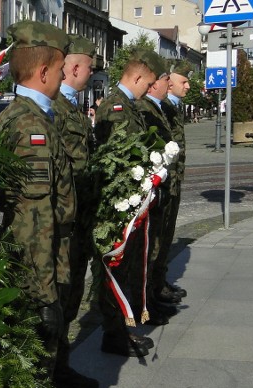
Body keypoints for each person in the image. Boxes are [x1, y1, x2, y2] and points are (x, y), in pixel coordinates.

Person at [0, 20, 77, 388]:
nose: (64, 76)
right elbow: (34, 216)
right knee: (41, 329)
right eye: (61, 69)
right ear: (44, 72)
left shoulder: (31, 116)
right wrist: (45, 291)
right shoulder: (31, 126)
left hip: (42, 254)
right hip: (37, 260)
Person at [93, 49, 162, 357]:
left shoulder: (129, 106)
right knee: (113, 268)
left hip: (130, 202)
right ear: (135, 77)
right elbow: (119, 155)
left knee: (126, 267)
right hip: (116, 204)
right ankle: (114, 333)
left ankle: (122, 329)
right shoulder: (116, 107)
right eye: (147, 85)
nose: (148, 91)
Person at [51, 33, 101, 388]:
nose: (92, 74)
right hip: (61, 222)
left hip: (79, 218)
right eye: (90, 67)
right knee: (58, 298)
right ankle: (49, 375)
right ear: (75, 67)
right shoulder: (52, 108)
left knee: (71, 297)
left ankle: (61, 366)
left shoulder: (74, 107)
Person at [134, 56, 176, 327]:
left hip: (158, 188)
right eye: (164, 79)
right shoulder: (138, 108)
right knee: (144, 254)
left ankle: (149, 299)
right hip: (142, 193)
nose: (169, 84)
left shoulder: (156, 108)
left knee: (155, 248)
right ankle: (139, 307)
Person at [154, 59, 193, 309]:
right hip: (165, 182)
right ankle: (155, 287)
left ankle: (159, 283)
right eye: (183, 81)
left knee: (165, 237)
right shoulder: (164, 107)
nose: (187, 86)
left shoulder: (173, 107)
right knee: (157, 239)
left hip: (173, 181)